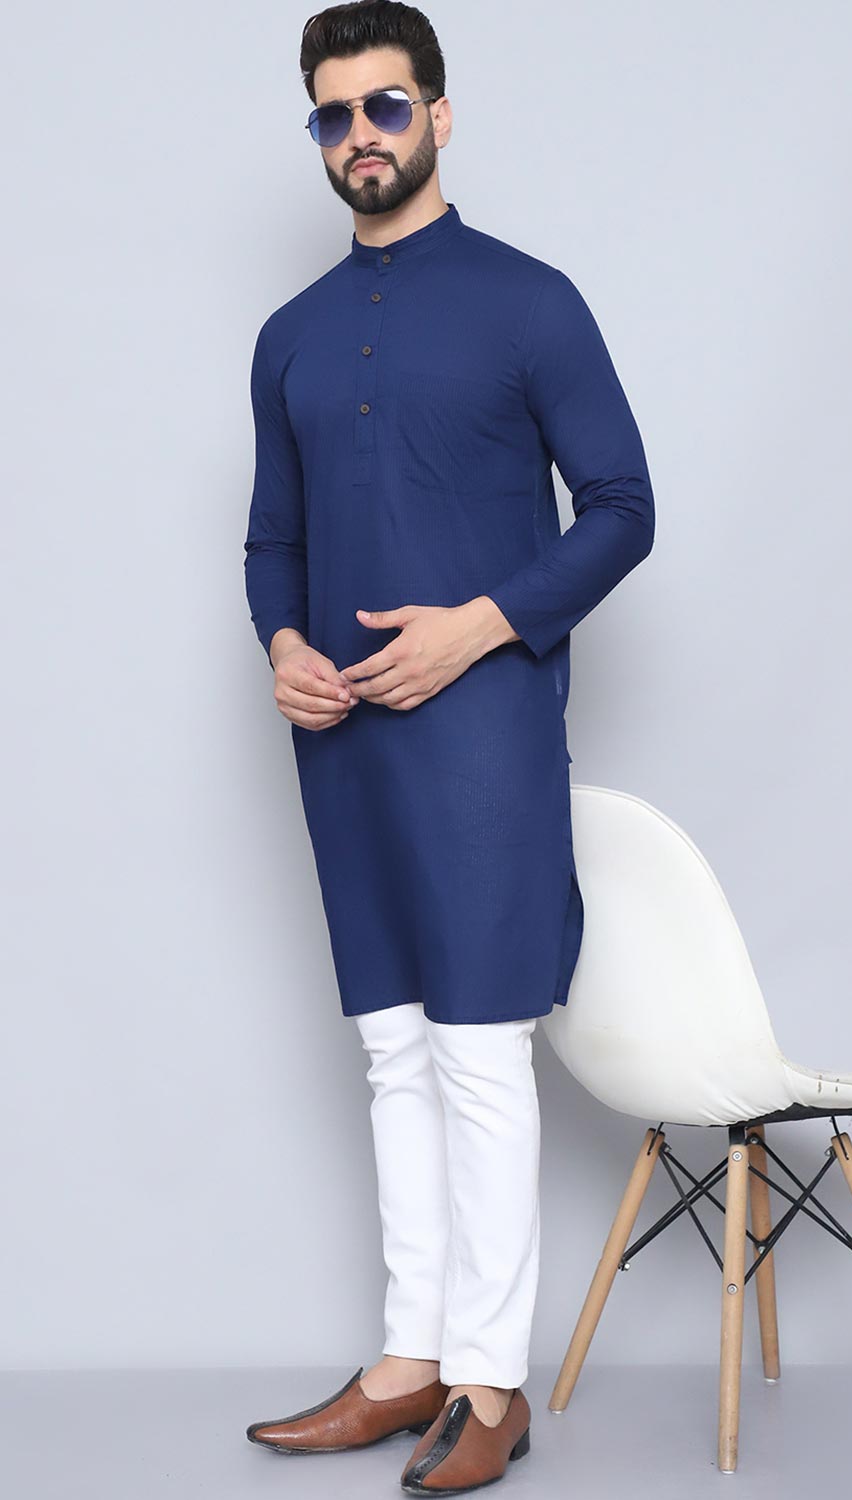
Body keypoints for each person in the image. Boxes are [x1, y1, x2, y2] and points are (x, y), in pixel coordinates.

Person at [242, 2, 655, 1491]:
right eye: (334, 114)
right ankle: (407, 1362)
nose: (361, 135)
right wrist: (282, 647)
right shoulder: (289, 335)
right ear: (317, 133)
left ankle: (489, 1384)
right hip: (343, 740)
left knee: (479, 1056)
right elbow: (273, 540)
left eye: (386, 105)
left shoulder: (530, 302)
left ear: (439, 114)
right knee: (391, 1055)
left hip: (483, 730)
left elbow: (624, 507)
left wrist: (480, 627)